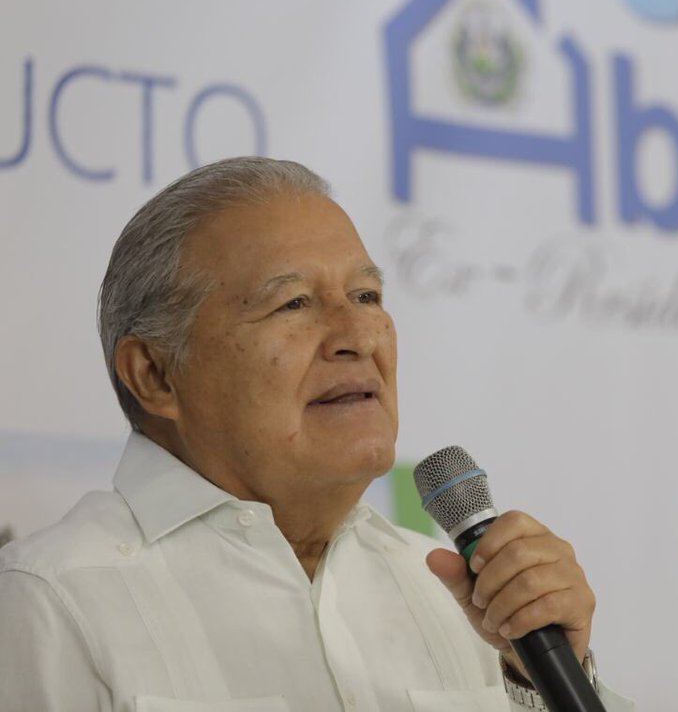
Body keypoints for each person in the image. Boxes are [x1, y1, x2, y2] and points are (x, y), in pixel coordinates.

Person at [0, 157, 632, 712]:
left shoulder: (466, 602)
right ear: (155, 374)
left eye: (367, 295)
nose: (357, 336)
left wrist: (542, 680)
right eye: (294, 303)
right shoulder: (49, 601)